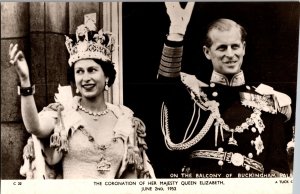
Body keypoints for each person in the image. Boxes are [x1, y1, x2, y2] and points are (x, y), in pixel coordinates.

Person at [153, 2, 293, 178]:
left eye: (235, 46)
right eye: (221, 47)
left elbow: (278, 170)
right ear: (207, 52)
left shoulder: (269, 102)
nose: (230, 54)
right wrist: (176, 34)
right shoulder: (195, 96)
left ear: (244, 48)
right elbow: (164, 89)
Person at [9, 16, 154, 179]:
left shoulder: (124, 119)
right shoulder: (63, 115)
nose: (85, 78)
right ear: (75, 80)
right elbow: (34, 127)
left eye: (92, 70)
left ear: (106, 76)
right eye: (79, 71)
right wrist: (25, 80)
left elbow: (130, 178)